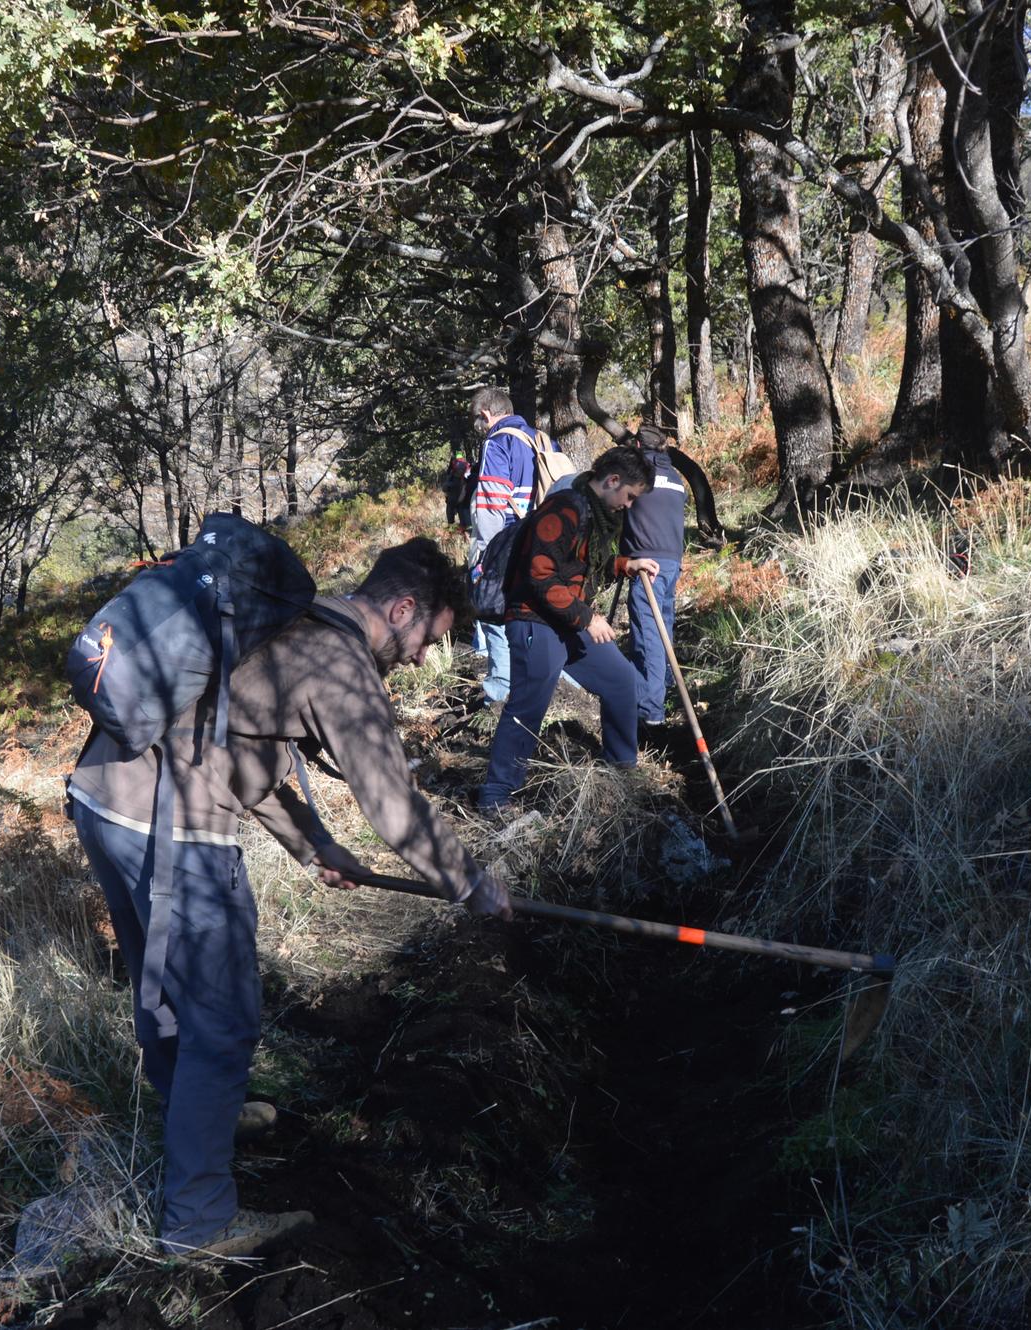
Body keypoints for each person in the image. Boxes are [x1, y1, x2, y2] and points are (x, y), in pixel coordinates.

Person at [65, 538, 513, 1260]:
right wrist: (468, 882)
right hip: (171, 826)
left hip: (102, 796)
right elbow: (395, 808)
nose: (426, 657)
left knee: (168, 984)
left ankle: (197, 1115)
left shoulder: (289, 617)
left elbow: (238, 741)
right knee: (223, 1019)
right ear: (402, 609)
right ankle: (198, 1224)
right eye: (431, 638)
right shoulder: (341, 667)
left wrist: (313, 845)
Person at [477, 446, 659, 812]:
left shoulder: (594, 512)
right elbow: (539, 574)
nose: (628, 505)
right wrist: (588, 618)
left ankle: (621, 771)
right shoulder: (563, 509)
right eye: (629, 496)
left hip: (566, 621)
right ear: (612, 480)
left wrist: (627, 564)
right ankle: (495, 797)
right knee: (528, 708)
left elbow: (587, 561)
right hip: (534, 622)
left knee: (621, 680)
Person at [465, 387, 559, 705]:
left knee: (494, 608)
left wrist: (484, 557)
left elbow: (492, 502)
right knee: (538, 611)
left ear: (486, 415)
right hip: (545, 539)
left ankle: (500, 687)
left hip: (507, 539)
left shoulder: (498, 442)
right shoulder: (542, 439)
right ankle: (555, 680)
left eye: (476, 420)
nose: (477, 427)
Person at [621, 424, 689, 729]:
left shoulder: (638, 475)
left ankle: (650, 710)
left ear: (638, 444)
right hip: (672, 561)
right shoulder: (675, 477)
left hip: (647, 564)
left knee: (649, 634)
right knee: (664, 628)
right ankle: (662, 687)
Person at [442, 448, 473, 527]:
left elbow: (445, 488)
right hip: (460, 496)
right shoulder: (466, 465)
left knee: (451, 513)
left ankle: (452, 527)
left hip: (453, 496)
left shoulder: (454, 467)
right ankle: (462, 527)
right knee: (462, 515)